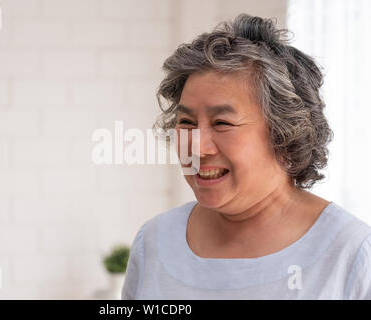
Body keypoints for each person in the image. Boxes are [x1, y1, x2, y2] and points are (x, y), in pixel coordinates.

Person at [121, 14, 371, 299]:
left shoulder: (352, 253)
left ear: (284, 132)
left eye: (222, 123)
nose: (197, 148)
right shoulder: (154, 242)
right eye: (187, 123)